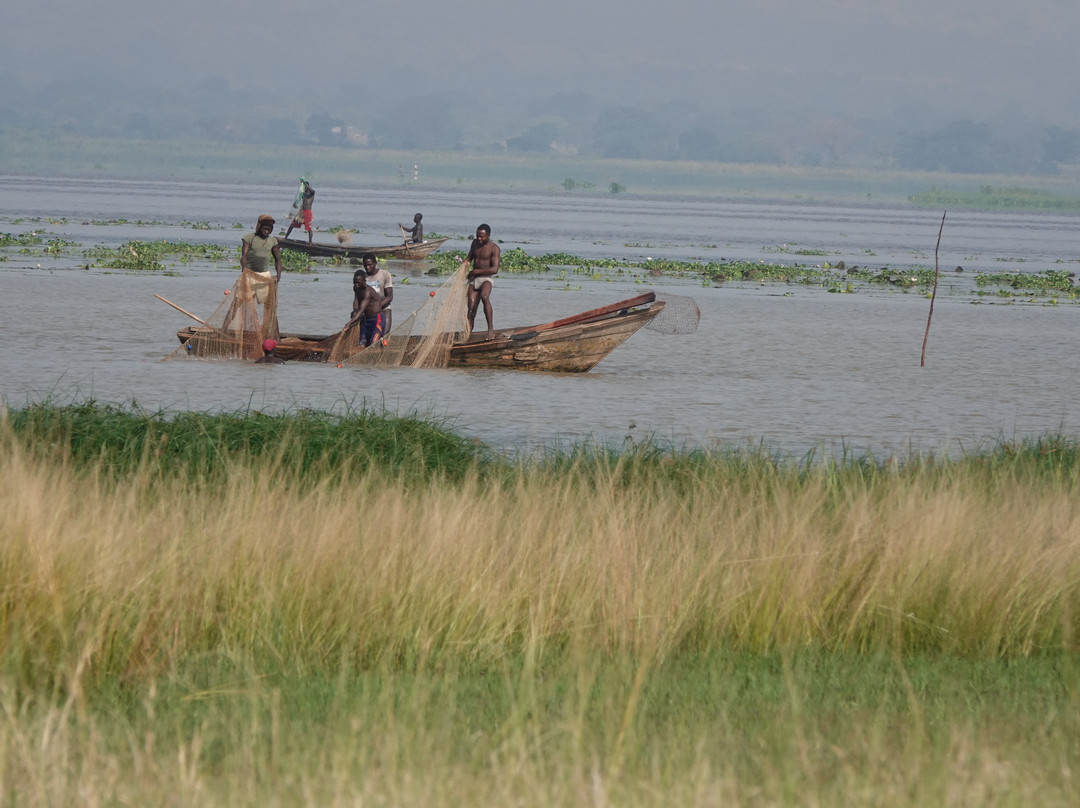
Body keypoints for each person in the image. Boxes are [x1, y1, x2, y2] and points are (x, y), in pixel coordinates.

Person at [464, 223, 500, 340]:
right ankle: (467, 333)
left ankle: (490, 331)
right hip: (474, 279)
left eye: (482, 237)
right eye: (478, 236)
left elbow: (494, 269)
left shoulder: (494, 248)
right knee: (471, 308)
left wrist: (476, 271)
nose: (479, 239)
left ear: (488, 235)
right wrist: (465, 264)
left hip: (486, 278)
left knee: (485, 297)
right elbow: (469, 257)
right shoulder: (474, 243)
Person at [240, 213, 283, 303]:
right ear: (259, 227)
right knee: (238, 302)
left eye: (269, 229)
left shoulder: (273, 241)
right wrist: (244, 269)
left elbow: (278, 260)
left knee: (270, 304)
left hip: (264, 276)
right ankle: (228, 318)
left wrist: (278, 275)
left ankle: (272, 318)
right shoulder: (249, 238)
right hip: (249, 274)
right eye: (264, 229)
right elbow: (244, 256)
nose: (266, 231)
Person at [347, 267, 384, 347]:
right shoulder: (356, 288)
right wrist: (355, 310)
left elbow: (361, 310)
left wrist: (349, 323)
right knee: (362, 343)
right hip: (367, 319)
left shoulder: (368, 291)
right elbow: (356, 300)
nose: (356, 285)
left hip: (377, 319)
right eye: (354, 282)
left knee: (374, 342)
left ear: (364, 281)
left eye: (358, 283)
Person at [361, 252, 395, 335]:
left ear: (375, 263)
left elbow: (389, 297)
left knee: (384, 334)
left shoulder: (385, 275)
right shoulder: (362, 278)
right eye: (365, 266)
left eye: (370, 265)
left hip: (384, 308)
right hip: (368, 311)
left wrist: (378, 306)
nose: (367, 267)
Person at [286, 178, 315, 243]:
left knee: (309, 228)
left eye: (305, 187)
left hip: (308, 212)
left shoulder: (311, 193)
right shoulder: (303, 194)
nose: (304, 188)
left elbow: (312, 190)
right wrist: (295, 204)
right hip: (301, 212)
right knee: (292, 225)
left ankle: (310, 242)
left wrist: (304, 183)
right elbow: (299, 201)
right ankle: (285, 238)